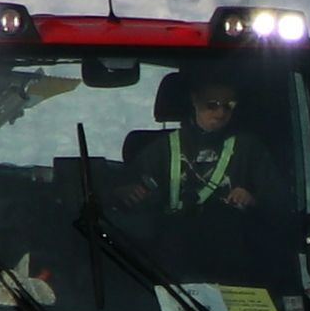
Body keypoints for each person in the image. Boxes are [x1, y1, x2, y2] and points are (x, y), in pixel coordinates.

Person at [116, 78, 284, 214]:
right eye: (212, 104)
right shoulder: (162, 149)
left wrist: (252, 200)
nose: (221, 113)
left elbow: (278, 202)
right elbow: (120, 194)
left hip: (231, 242)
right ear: (194, 100)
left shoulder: (249, 149)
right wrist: (128, 193)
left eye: (229, 105)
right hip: (166, 247)